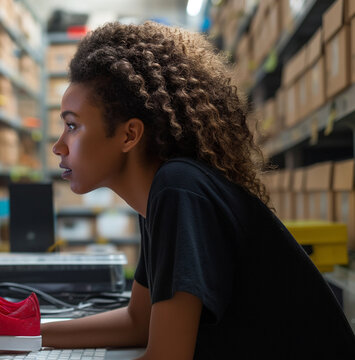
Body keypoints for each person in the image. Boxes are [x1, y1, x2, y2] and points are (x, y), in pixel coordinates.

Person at [44, 21, 355, 359]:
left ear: (129, 135)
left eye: (72, 125)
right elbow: (138, 322)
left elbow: (166, 357)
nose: (59, 146)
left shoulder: (177, 189)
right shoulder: (159, 195)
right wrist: (25, 334)